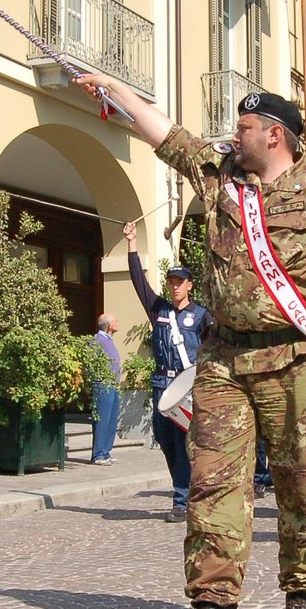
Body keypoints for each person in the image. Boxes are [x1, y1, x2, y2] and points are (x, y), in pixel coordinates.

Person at [73, 73, 306, 609]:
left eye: (245, 128)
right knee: (212, 481)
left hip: (294, 358)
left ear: (276, 136)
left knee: (300, 481)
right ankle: (215, 607)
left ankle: (300, 593)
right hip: (224, 357)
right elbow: (164, 132)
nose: (235, 136)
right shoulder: (220, 178)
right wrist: (115, 90)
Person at [125, 222, 212, 519]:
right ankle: (184, 491)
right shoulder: (159, 310)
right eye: (171, 281)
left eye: (180, 281)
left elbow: (212, 350)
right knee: (165, 440)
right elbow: (138, 283)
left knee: (186, 441)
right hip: (162, 384)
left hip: (189, 386)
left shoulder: (201, 316)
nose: (174, 286)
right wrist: (132, 246)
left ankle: (182, 498)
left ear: (189, 285)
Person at [91, 313, 121, 464]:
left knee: (111, 419)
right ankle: (98, 455)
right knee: (102, 419)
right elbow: (91, 363)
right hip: (103, 385)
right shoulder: (97, 340)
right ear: (109, 326)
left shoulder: (109, 340)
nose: (117, 323)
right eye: (115, 321)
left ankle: (106, 452)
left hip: (114, 385)